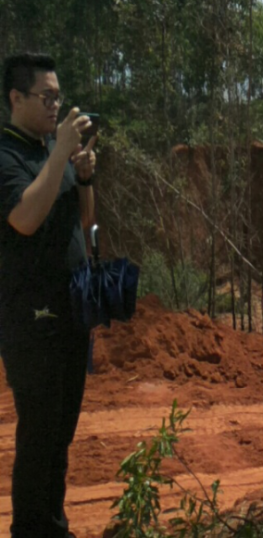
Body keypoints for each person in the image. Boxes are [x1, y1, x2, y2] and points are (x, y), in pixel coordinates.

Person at [0, 52, 97, 538]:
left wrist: (82, 176)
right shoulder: (8, 155)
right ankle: (31, 529)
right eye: (46, 96)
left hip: (70, 312)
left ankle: (52, 526)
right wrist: (59, 153)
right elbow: (24, 218)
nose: (56, 105)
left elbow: (82, 222)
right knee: (38, 433)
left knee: (60, 434)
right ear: (16, 98)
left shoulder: (47, 151)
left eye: (59, 96)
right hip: (31, 320)